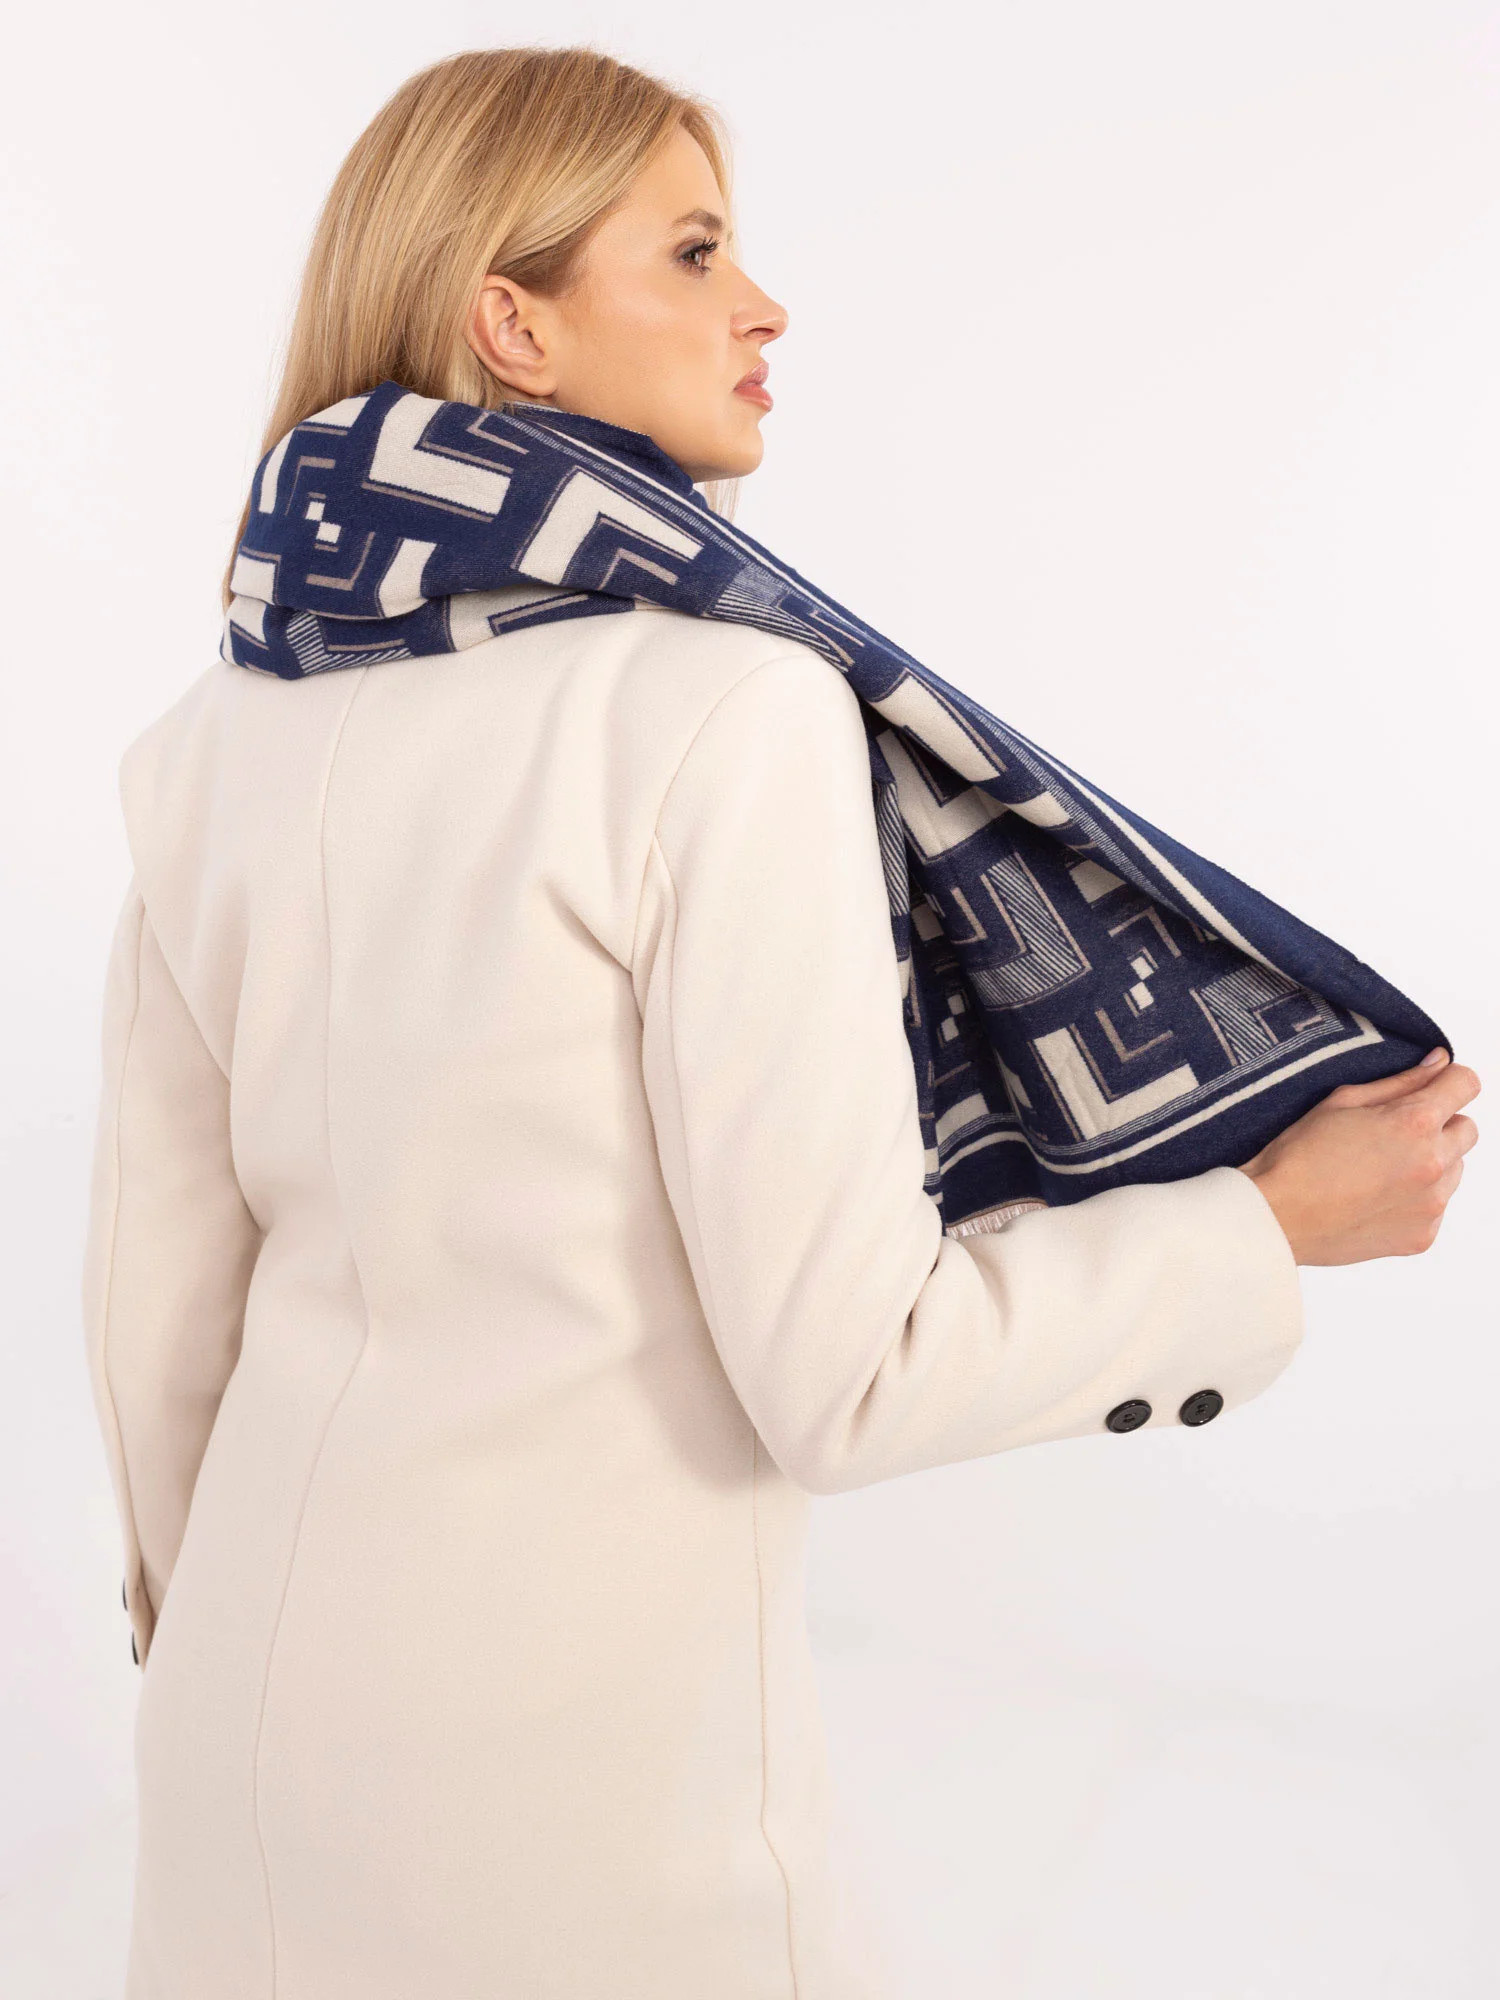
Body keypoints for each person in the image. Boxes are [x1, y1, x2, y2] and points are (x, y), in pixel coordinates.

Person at [80, 45, 1480, 2000]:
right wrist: (1262, 1229)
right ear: (514, 323)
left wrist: (205, 1644)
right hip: (579, 1800)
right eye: (695, 251)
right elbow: (852, 1366)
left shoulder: (212, 737)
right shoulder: (722, 714)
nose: (766, 306)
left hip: (239, 1734)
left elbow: (156, 1314)